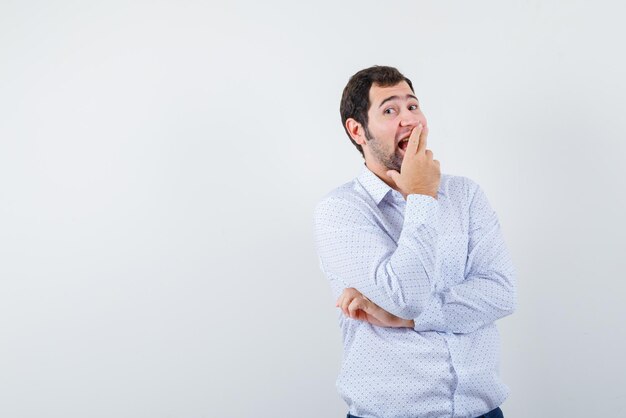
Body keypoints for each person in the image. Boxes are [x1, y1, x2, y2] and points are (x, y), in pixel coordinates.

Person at [313, 65, 516, 418]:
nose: (409, 119)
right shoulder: (340, 210)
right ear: (357, 130)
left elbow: (501, 293)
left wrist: (406, 320)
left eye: (413, 106)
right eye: (390, 110)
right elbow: (405, 296)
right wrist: (421, 195)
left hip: (483, 411)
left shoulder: (465, 195)